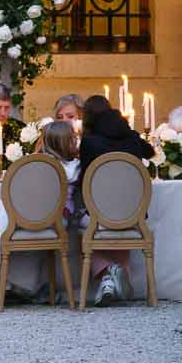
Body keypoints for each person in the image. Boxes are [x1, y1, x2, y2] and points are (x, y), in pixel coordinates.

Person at [0, 117, 80, 310]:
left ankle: (15, 286)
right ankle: (33, 286)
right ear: (67, 142)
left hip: (21, 218)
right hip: (53, 221)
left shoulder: (28, 165)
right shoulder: (74, 168)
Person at [78, 92, 155, 306]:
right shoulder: (130, 137)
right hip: (133, 214)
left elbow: (85, 180)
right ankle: (111, 281)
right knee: (118, 221)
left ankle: (105, 273)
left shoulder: (89, 142)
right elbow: (151, 152)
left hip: (99, 215)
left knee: (78, 224)